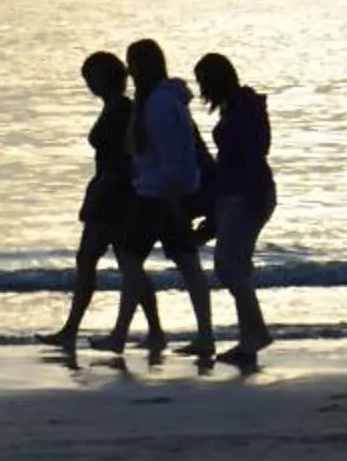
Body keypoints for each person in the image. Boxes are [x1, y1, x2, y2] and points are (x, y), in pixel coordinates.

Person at [100, 38, 217, 359]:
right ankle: (201, 334)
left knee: (134, 259)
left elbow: (175, 153)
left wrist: (173, 194)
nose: (128, 69)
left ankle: (123, 335)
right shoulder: (155, 100)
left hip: (159, 193)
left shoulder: (160, 104)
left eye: (132, 63)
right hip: (159, 189)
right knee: (185, 263)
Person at [49, 50, 160, 350]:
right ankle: (154, 330)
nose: (89, 83)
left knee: (94, 260)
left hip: (114, 195)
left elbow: (119, 161)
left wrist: (96, 196)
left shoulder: (122, 109)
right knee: (127, 264)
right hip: (116, 193)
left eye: (93, 76)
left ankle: (71, 329)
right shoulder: (117, 107)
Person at [193, 52, 275, 365]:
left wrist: (246, 196)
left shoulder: (242, 109)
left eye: (203, 81)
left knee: (229, 267)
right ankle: (251, 337)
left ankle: (254, 335)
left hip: (247, 193)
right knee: (234, 266)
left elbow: (252, 154)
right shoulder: (239, 106)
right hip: (241, 192)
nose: (201, 89)